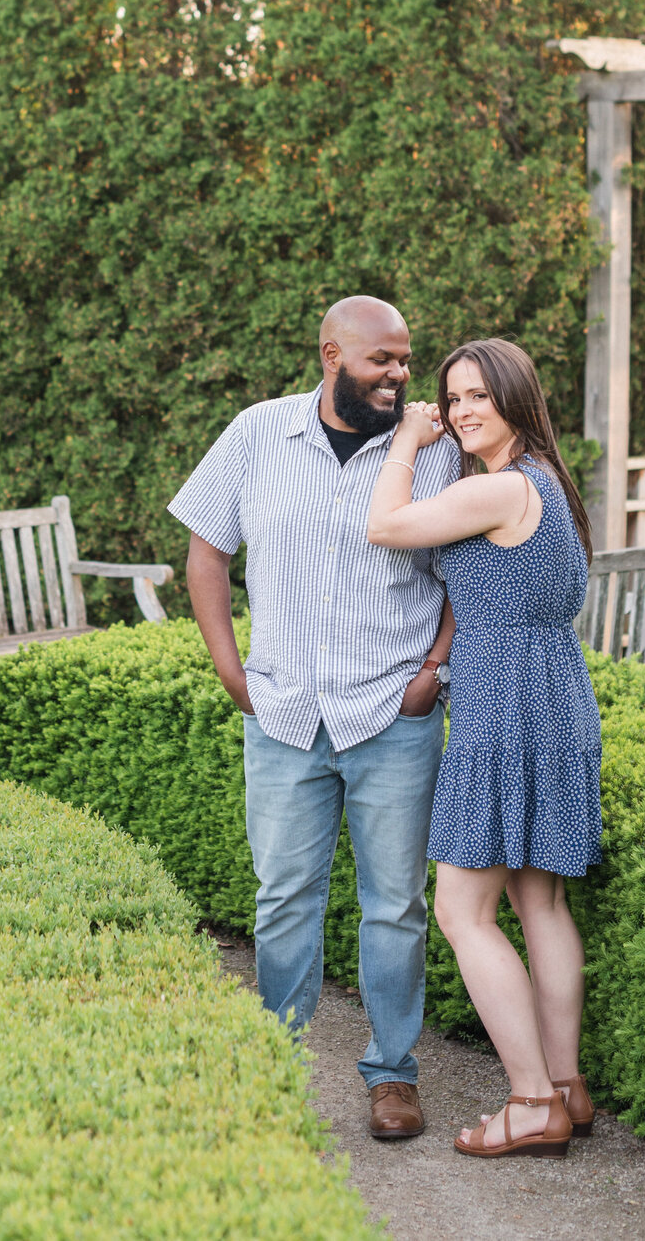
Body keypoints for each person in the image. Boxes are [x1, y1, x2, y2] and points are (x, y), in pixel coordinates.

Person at [168, 296, 458, 1139]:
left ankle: (392, 1075)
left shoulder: (435, 454)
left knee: (395, 905)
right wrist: (231, 670)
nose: (401, 376)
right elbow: (207, 551)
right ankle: (274, 1067)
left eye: (407, 361)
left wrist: (433, 671)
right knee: (284, 897)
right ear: (332, 355)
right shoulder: (257, 433)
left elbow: (471, 574)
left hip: (393, 714)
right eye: (383, 362)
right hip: (284, 709)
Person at [367, 337, 602, 1159]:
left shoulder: (502, 489)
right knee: (539, 901)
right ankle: (567, 1086)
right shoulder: (548, 483)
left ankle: (534, 1103)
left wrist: (405, 443)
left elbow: (384, 525)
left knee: (462, 910)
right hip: (559, 695)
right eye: (452, 397)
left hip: (504, 704)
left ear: (514, 397)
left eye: (477, 396)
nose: (462, 410)